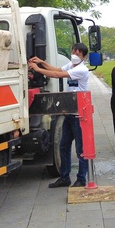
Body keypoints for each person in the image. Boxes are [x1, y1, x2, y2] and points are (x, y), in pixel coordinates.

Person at [29, 43, 90, 188]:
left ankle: (81, 179)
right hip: (69, 112)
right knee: (63, 146)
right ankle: (64, 177)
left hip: (79, 115)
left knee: (81, 149)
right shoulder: (72, 65)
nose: (75, 54)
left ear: (84, 56)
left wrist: (37, 69)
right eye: (73, 51)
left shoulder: (81, 70)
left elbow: (57, 75)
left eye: (78, 53)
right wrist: (42, 63)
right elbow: (56, 69)